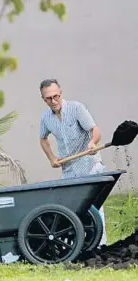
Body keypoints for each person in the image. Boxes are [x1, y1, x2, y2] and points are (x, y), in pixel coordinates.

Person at [38, 78, 107, 245]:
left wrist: (92, 143)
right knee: (72, 210)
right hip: (69, 170)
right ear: (43, 99)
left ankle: (100, 245)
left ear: (61, 93)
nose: (53, 101)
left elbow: (94, 130)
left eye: (56, 96)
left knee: (94, 210)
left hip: (90, 167)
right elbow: (43, 139)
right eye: (49, 98)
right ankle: (78, 246)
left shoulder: (76, 108)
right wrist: (52, 158)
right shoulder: (46, 118)